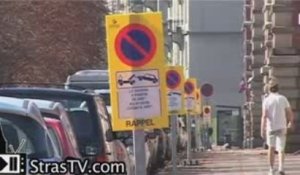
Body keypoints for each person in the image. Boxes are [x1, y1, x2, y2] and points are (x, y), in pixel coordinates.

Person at [261, 77, 295, 175]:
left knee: (271, 148)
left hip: (271, 127)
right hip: (282, 127)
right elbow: (289, 112)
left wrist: (262, 128)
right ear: (278, 88)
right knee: (281, 149)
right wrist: (291, 122)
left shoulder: (266, 100)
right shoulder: (283, 98)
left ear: (269, 89)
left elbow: (264, 115)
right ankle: (281, 168)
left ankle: (271, 169)